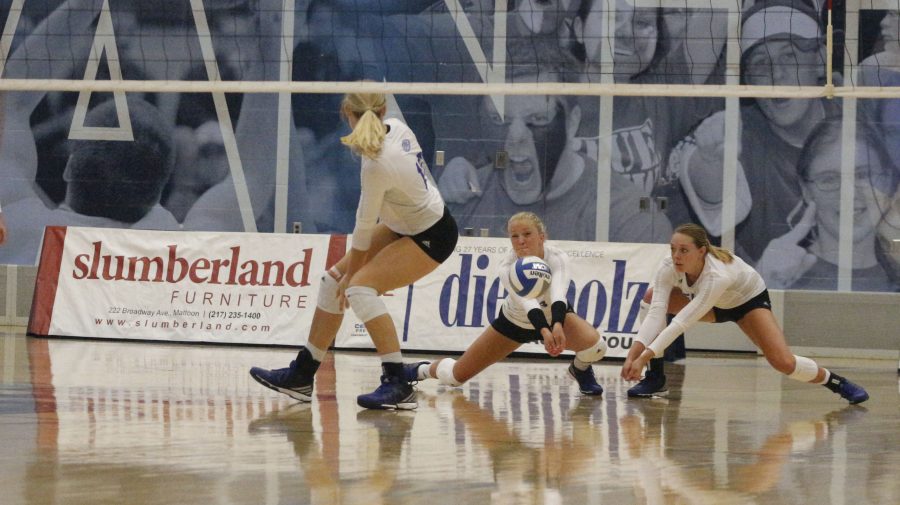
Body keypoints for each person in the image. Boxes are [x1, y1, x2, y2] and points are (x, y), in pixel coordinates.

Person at [249, 91, 459, 410]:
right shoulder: (397, 127)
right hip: (404, 223)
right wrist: (344, 276)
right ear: (382, 109)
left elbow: (363, 228)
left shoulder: (377, 163)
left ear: (348, 114)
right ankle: (302, 375)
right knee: (332, 283)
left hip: (432, 234)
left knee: (359, 288)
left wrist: (352, 277)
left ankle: (397, 383)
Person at [622, 222, 870, 404]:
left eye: (684, 250)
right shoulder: (669, 266)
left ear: (702, 251)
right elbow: (656, 313)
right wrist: (633, 354)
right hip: (711, 303)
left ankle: (837, 382)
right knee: (651, 297)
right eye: (673, 248)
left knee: (783, 362)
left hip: (747, 302)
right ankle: (655, 378)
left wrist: (642, 357)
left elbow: (682, 322)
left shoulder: (717, 274)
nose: (676, 256)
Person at [680, 0, 838, 259]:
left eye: (789, 56)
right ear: (748, 81)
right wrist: (709, 158)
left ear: (821, 61)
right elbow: (704, 177)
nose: (776, 75)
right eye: (760, 64)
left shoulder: (860, 112)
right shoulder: (739, 133)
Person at [410, 212, 608, 395]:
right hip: (515, 323)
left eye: (527, 234)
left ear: (542, 236)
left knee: (596, 347)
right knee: (454, 377)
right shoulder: (507, 267)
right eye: (514, 236)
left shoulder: (556, 257)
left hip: (554, 315)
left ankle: (580, 370)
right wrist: (545, 332)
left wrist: (556, 325)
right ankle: (418, 370)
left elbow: (558, 295)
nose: (521, 241)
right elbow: (528, 303)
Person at [756, 120, 898, 291]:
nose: (848, 194)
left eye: (862, 175)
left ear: (887, 181)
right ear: (806, 191)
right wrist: (761, 289)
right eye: (829, 179)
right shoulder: (782, 275)